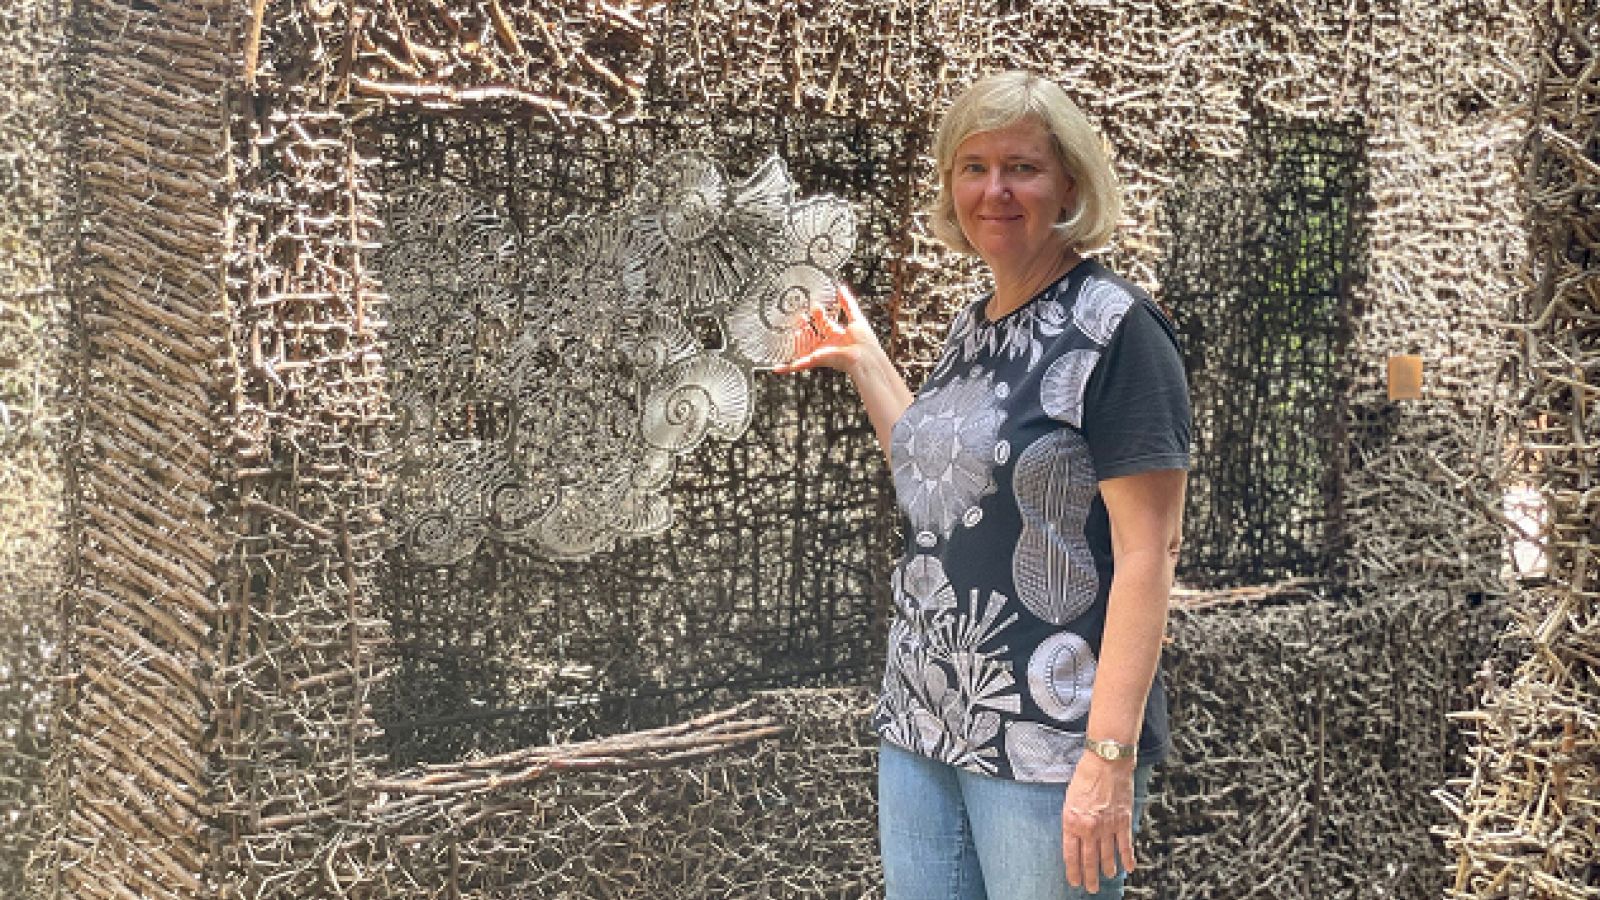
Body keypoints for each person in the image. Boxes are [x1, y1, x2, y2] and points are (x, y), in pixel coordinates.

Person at [775, 70, 1191, 899]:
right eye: (974, 167)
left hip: (1049, 740)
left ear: (1069, 184)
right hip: (925, 714)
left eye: (1021, 168)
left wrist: (1108, 756)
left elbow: (1152, 553)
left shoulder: (1118, 330)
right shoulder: (976, 326)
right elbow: (939, 484)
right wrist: (866, 361)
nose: (994, 190)